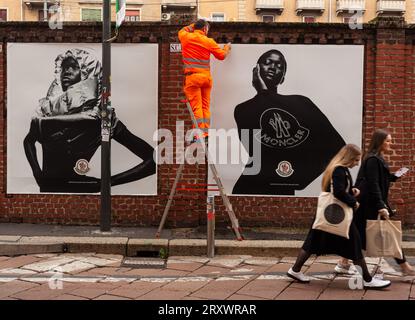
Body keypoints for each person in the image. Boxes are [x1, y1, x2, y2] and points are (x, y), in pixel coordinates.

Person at [23, 49, 156, 193]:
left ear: (86, 73)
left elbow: (153, 160)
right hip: (49, 191)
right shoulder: (48, 111)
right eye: (64, 67)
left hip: (81, 188)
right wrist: (37, 174)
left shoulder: (101, 119)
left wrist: (109, 182)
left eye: (74, 67)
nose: (66, 71)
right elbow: (29, 140)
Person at [232, 49, 345, 195]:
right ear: (256, 70)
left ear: (283, 78)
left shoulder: (301, 103)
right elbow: (259, 149)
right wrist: (263, 93)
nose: (273, 67)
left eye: (279, 66)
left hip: (282, 186)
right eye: (267, 63)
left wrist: (301, 177)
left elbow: (338, 147)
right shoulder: (243, 109)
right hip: (250, 185)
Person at [287, 144, 391, 289]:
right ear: (348, 158)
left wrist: (351, 191)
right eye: (355, 160)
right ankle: (367, 280)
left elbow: (339, 189)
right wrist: (353, 202)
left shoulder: (338, 169)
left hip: (328, 215)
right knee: (354, 245)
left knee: (312, 244)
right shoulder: (339, 170)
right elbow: (337, 192)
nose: (357, 163)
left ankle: (295, 270)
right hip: (336, 215)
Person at [352, 128, 415, 278]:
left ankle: (344, 262)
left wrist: (395, 176)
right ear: (379, 142)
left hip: (368, 203)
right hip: (369, 204)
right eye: (388, 140)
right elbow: (373, 184)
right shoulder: (373, 159)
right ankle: (405, 266)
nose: (390, 143)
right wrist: (381, 205)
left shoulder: (376, 157)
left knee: (359, 235)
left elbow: (380, 179)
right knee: (387, 234)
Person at [178, 19, 231, 142]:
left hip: (193, 78)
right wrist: (227, 48)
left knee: (197, 107)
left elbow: (183, 29)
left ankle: (199, 134)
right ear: (205, 29)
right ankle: (205, 133)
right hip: (206, 78)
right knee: (205, 107)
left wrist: (194, 25)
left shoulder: (185, 36)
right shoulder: (208, 41)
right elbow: (222, 56)